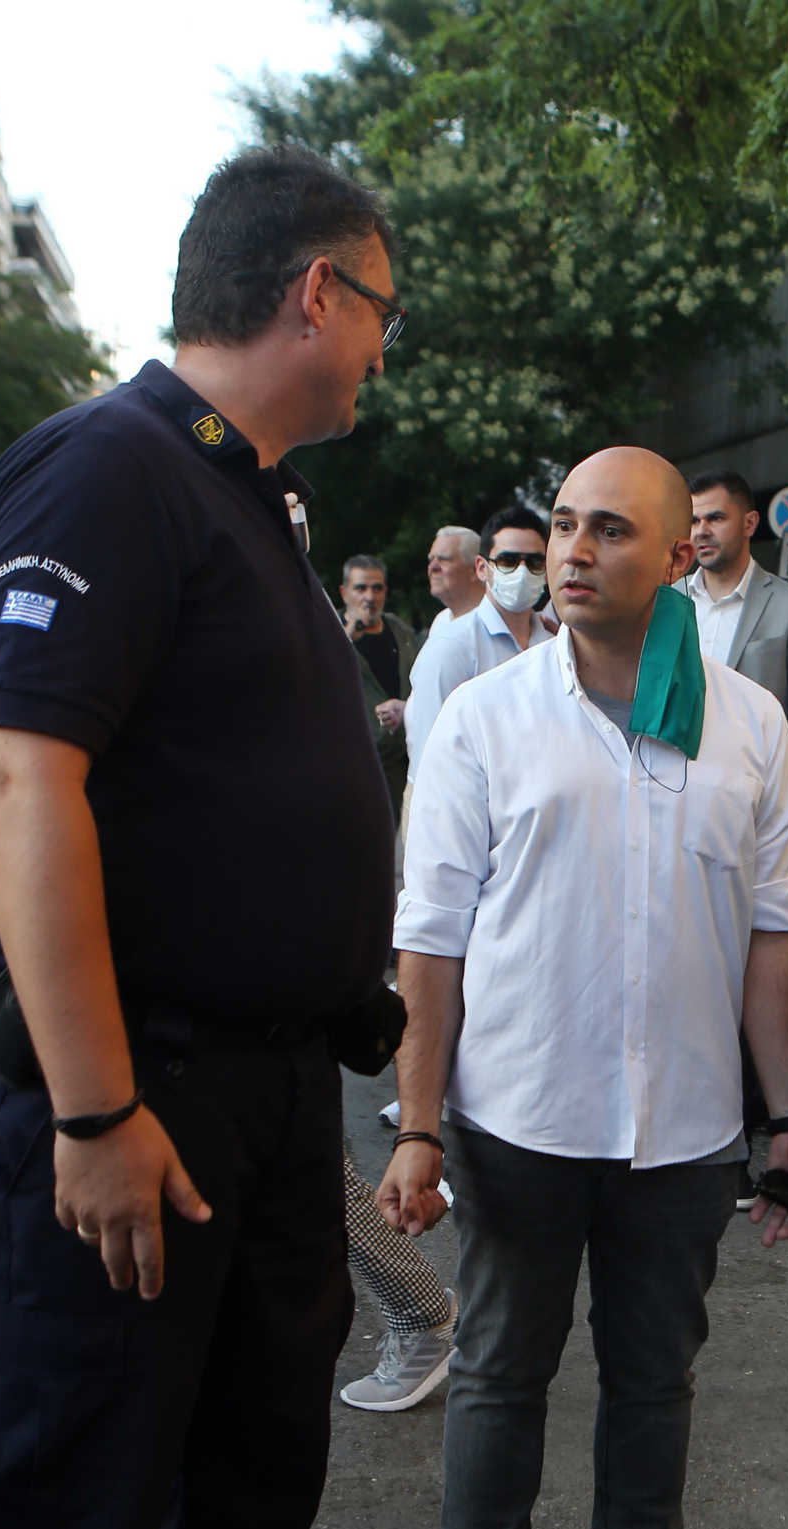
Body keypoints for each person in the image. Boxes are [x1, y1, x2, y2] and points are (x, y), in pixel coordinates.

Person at [0, 143, 402, 1529]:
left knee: (241, 1521)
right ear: (317, 291)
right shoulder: (108, 464)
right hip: (136, 1100)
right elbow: (24, 787)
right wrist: (95, 1106)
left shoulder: (240, 495)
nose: (386, 343)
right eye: (383, 307)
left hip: (248, 1102)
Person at [382, 446, 788, 1529]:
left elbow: (768, 940)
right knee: (496, 1377)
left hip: (683, 1134)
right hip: (517, 1118)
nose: (571, 553)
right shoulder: (482, 718)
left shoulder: (749, 723)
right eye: (563, 527)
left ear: (680, 553)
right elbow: (432, 938)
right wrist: (420, 1125)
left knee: (653, 1386)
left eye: (609, 533)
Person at [343, 504, 556, 1411]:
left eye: (526, 557)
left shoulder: (558, 640)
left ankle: (423, 1312)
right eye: (506, 557)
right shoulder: (448, 653)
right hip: (458, 865)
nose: (519, 570)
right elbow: (432, 776)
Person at [682, 471, 788, 889]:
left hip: (755, 811)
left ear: (749, 523)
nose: (702, 531)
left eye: (715, 518)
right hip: (671, 803)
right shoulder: (667, 599)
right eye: (694, 521)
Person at [403, 506, 553, 773]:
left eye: (534, 562)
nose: (522, 572)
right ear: (482, 568)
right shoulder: (451, 647)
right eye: (508, 561)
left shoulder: (554, 645)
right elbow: (431, 762)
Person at [342, 553, 419, 822]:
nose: (369, 597)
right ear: (344, 593)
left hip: (399, 761)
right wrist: (346, 638)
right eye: (360, 588)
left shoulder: (401, 632)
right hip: (352, 764)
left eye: (377, 588)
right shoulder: (330, 633)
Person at [427, 524, 483, 621]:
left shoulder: (499, 621)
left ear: (475, 569)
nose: (433, 567)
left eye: (444, 559)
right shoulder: (441, 621)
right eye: (430, 560)